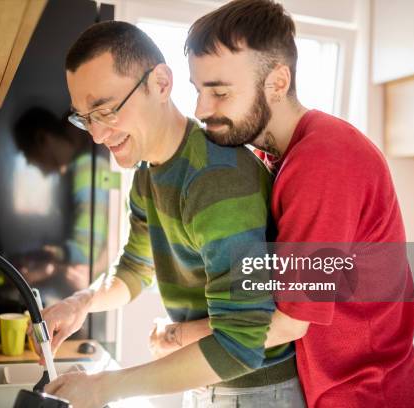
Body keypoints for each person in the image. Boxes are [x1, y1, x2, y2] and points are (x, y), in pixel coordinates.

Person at [163, 1, 414, 407]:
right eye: (198, 90)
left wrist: (177, 336)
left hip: (365, 396)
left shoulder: (323, 160)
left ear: (277, 82)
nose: (201, 109)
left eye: (219, 91)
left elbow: (290, 322)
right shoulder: (282, 155)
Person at [39, 21, 304, 408]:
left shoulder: (215, 177)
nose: (96, 135)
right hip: (211, 381)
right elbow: (133, 270)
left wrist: (102, 388)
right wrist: (81, 302)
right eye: (85, 118)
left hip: (257, 391)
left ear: (161, 84)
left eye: (106, 110)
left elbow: (241, 342)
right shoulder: (148, 175)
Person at [13, 107, 110, 302]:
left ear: (42, 139)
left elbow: (85, 251)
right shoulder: (74, 172)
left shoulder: (86, 168)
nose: (30, 163)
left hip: (94, 292)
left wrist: (47, 264)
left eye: (27, 153)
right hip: (88, 291)